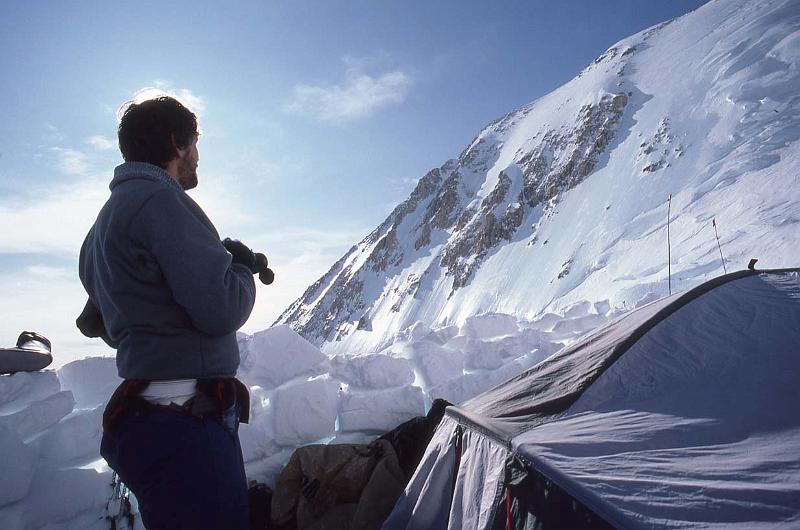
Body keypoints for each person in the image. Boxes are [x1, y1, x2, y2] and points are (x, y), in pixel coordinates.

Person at [77, 95, 266, 529]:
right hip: (187, 428)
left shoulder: (103, 223)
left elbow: (110, 319)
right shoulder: (162, 204)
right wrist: (238, 266)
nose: (198, 154)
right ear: (176, 144)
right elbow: (222, 309)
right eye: (195, 142)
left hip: (148, 423)